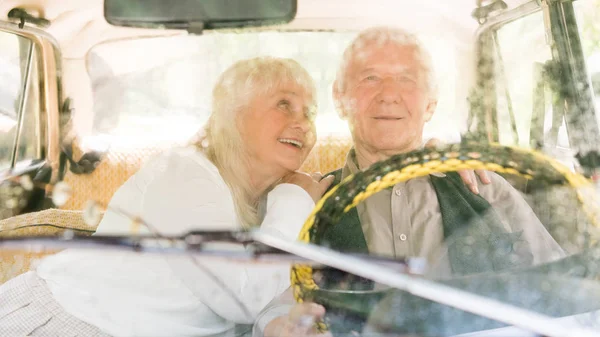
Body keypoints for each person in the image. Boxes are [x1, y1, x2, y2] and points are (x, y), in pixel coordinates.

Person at [255, 26, 565, 337]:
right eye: (370, 78)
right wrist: (279, 325)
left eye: (407, 79)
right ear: (339, 98)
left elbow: (564, 287)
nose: (389, 94)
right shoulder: (304, 204)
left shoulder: (485, 187)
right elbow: (269, 305)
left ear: (430, 103)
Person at [0, 56, 334, 337]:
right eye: (283, 104)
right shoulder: (184, 174)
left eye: (309, 113)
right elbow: (243, 295)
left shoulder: (267, 205)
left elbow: (273, 295)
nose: (303, 124)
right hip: (66, 323)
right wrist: (295, 199)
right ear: (235, 115)